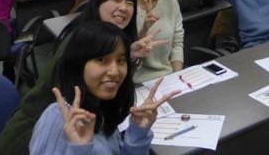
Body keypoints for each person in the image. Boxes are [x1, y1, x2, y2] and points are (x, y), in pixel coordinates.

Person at [0, 0, 168, 155]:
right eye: (117, 0)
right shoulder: (77, 44)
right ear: (98, 2)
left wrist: (130, 55)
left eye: (130, 3)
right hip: (37, 134)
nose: (124, 8)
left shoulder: (100, 107)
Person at [30, 21, 178, 154]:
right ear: (78, 64)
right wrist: (78, 150)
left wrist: (138, 132)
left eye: (121, 60)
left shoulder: (102, 107)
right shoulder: (56, 119)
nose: (115, 72)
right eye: (101, 59)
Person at [133, 0, 184, 83]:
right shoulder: (127, 7)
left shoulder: (170, 1)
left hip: (169, 76)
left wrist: (177, 77)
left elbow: (177, 44)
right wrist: (144, 29)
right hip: (137, 82)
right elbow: (128, 56)